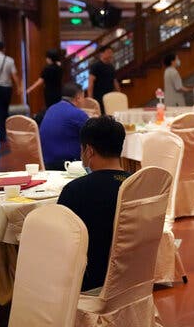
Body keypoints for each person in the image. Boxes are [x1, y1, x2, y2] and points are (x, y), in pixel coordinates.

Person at [57, 116, 129, 291]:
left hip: (90, 283)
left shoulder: (75, 191)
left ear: (89, 151)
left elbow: (61, 245)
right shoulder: (139, 184)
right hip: (132, 278)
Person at [40, 82, 89, 170]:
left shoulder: (51, 109)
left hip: (45, 164)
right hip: (67, 166)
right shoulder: (77, 114)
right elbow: (95, 135)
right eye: (83, 97)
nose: (84, 100)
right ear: (78, 97)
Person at [88, 45, 120, 114]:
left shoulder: (111, 67)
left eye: (111, 53)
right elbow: (90, 83)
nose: (111, 55)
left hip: (110, 97)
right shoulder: (95, 66)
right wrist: (91, 99)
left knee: (110, 115)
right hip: (99, 97)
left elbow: (115, 81)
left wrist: (119, 93)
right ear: (101, 54)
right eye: (108, 52)